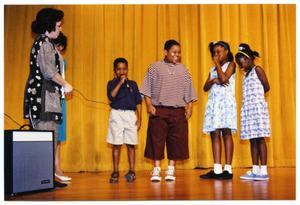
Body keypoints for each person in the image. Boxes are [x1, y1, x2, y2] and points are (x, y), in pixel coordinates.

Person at [23, 8, 73, 188]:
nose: (60, 29)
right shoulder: (44, 43)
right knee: (45, 137)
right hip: (41, 99)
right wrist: (66, 84)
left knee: (50, 137)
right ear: (50, 25)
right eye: (58, 25)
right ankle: (42, 179)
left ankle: (48, 177)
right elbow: (48, 72)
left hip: (48, 98)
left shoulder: (47, 44)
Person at [140, 39, 197, 182]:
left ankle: (171, 168)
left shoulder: (184, 70)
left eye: (179, 52)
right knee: (156, 140)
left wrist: (189, 107)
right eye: (174, 52)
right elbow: (146, 89)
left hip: (178, 111)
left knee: (176, 141)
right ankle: (157, 169)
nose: (177, 55)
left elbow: (189, 91)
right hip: (159, 110)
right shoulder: (154, 67)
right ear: (166, 52)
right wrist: (148, 105)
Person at [200, 41, 237, 180]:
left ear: (226, 52)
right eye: (214, 53)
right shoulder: (212, 70)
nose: (216, 55)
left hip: (226, 104)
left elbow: (224, 79)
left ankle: (227, 169)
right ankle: (216, 169)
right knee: (214, 134)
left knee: (226, 133)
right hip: (214, 104)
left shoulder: (231, 65)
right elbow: (205, 87)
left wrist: (217, 69)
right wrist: (213, 80)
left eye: (219, 52)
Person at [235, 43, 271, 181]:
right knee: (252, 140)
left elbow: (266, 87)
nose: (240, 64)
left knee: (260, 139)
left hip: (257, 109)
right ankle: (255, 169)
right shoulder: (245, 75)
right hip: (248, 111)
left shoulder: (258, 70)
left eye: (242, 61)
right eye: (239, 63)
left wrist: (257, 100)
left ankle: (264, 171)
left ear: (249, 58)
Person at [106, 57, 142, 183]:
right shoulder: (111, 83)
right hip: (116, 115)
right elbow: (111, 96)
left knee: (131, 144)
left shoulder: (133, 84)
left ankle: (132, 170)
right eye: (119, 69)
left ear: (127, 70)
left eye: (124, 69)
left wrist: (140, 118)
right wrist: (120, 83)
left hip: (130, 115)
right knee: (116, 144)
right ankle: (115, 171)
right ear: (114, 71)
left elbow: (138, 102)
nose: (122, 71)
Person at [52, 32, 72, 182]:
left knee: (59, 136)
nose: (59, 49)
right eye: (58, 46)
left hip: (61, 99)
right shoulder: (49, 56)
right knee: (52, 135)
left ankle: (57, 168)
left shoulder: (60, 58)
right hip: (52, 100)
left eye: (61, 47)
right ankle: (54, 169)